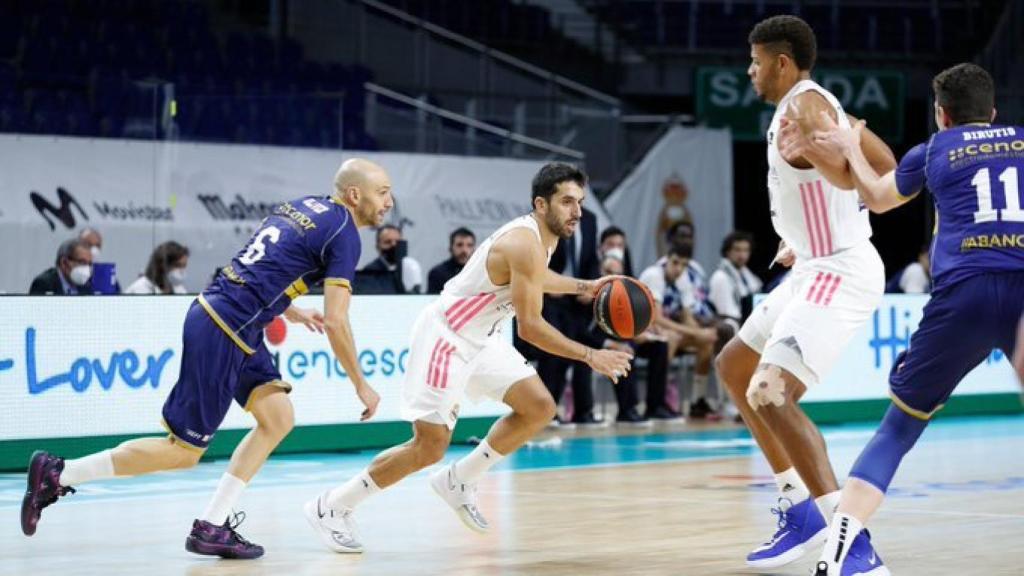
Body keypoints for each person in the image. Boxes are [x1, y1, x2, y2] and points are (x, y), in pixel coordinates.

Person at [21, 158, 394, 560]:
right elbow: (338, 321)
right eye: (383, 192)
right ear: (355, 195)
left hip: (231, 319)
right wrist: (361, 383)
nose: (389, 201)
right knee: (183, 451)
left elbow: (259, 268)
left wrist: (290, 309)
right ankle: (60, 472)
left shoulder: (304, 206)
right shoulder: (345, 234)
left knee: (278, 417)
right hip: (225, 326)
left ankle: (211, 525)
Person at [303, 162, 632, 553]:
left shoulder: (547, 237)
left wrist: (587, 286)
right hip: (448, 338)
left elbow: (533, 277)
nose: (576, 211)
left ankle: (459, 480)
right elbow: (530, 327)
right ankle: (332, 507)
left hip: (484, 339)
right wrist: (591, 355)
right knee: (429, 446)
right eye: (567, 202)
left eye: (579, 202)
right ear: (541, 204)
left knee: (540, 407)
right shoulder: (524, 241)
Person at [777, 62, 1024, 576]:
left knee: (898, 430)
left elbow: (876, 197)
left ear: (942, 115)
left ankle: (839, 553)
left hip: (962, 296)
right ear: (994, 112)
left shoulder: (934, 150)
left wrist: (848, 148)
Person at [712, 14, 897, 573]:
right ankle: (800, 509)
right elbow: (887, 170)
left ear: (782, 62)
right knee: (736, 365)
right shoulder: (820, 104)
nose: (749, 71)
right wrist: (806, 234)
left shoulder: (805, 106)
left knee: (770, 391)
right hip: (815, 260)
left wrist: (826, 163)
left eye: (755, 60)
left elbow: (848, 175)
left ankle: (853, 543)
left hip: (840, 269)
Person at [536, 206, 603, 426]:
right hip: (551, 294)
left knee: (583, 350)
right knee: (553, 352)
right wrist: (547, 285)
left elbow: (591, 257)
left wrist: (591, 286)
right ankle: (547, 412)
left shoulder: (591, 219)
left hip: (578, 295)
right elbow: (539, 256)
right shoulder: (548, 215)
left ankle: (584, 412)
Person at [638, 241, 718, 419]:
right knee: (671, 338)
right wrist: (697, 333)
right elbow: (656, 318)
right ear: (667, 260)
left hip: (662, 331)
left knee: (707, 342)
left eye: (684, 264)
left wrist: (701, 334)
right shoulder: (654, 274)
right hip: (641, 329)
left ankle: (699, 400)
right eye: (675, 262)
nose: (679, 268)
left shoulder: (683, 279)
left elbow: (687, 316)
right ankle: (658, 399)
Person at [590, 252, 667, 426]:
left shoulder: (625, 292)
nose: (612, 277)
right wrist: (613, 343)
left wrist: (642, 333)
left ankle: (655, 406)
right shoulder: (594, 294)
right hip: (599, 343)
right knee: (623, 351)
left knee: (659, 346)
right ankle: (626, 410)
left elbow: (629, 322)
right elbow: (586, 331)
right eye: (608, 271)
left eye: (617, 272)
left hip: (623, 338)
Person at [708, 231, 763, 332]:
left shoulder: (750, 277)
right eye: (737, 250)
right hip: (732, 327)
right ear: (727, 251)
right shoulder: (721, 277)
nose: (742, 255)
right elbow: (727, 314)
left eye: (746, 250)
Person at [359, 224, 423, 293]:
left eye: (397, 242)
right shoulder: (370, 272)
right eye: (388, 242)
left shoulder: (409, 269)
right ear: (378, 247)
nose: (393, 245)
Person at [29, 238, 94, 295]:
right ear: (64, 263)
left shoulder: (87, 285)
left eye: (89, 264)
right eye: (82, 262)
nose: (87, 269)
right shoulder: (43, 284)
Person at [125, 241, 191, 295]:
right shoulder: (140, 289)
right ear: (162, 265)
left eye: (184, 266)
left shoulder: (179, 289)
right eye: (177, 265)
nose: (181, 270)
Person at [427, 227, 476, 294]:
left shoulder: (480, 273)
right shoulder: (437, 273)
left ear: (474, 249)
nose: (464, 250)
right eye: (459, 245)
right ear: (450, 248)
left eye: (469, 245)